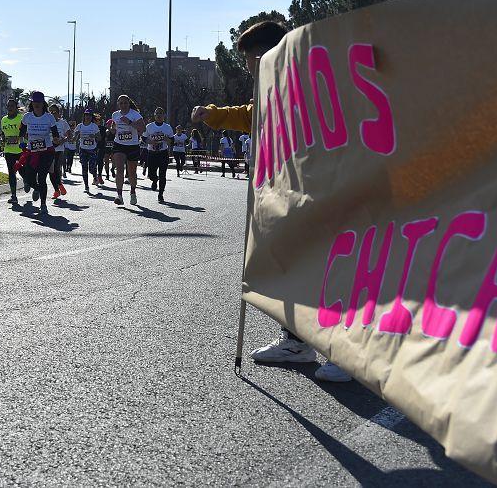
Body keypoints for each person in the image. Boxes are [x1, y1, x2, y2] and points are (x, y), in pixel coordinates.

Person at [191, 20, 350, 383]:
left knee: (327, 269)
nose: (249, 68)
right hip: (286, 195)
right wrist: (212, 114)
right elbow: (252, 114)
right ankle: (297, 342)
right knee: (285, 267)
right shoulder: (272, 87)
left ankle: (348, 349)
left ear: (265, 54)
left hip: (321, 191)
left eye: (249, 60)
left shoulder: (311, 82)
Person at [18, 91, 61, 215]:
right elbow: (21, 131)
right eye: (35, 102)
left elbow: (55, 133)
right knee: (30, 178)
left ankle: (43, 204)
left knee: (42, 177)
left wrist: (56, 141)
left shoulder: (49, 117)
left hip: (46, 151)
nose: (37, 104)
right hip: (32, 151)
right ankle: (37, 189)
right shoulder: (27, 117)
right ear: (32, 103)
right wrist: (22, 142)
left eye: (39, 102)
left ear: (43, 103)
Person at [110, 94, 145, 206]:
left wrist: (129, 122)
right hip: (119, 144)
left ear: (129, 103)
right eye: (121, 103)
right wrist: (112, 129)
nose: (123, 105)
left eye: (125, 102)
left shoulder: (135, 115)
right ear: (118, 104)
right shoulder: (115, 115)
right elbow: (114, 131)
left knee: (131, 172)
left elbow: (143, 129)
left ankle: (133, 192)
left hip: (132, 145)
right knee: (119, 169)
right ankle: (119, 196)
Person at [144, 107, 174, 203]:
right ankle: (154, 180)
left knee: (162, 174)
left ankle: (160, 194)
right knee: (151, 174)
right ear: (154, 115)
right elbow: (144, 138)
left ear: (164, 115)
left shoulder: (167, 127)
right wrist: (151, 142)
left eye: (161, 113)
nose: (159, 115)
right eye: (157, 113)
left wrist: (167, 140)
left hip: (162, 153)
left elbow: (172, 141)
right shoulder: (149, 126)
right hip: (151, 153)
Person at [0, 99, 25, 205]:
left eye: (12, 106)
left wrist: (20, 139)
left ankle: (27, 181)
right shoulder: (4, 119)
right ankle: (13, 195)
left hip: (20, 150)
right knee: (11, 172)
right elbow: (3, 133)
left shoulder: (21, 118)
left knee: (23, 171)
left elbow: (25, 132)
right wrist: (2, 140)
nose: (10, 108)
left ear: (16, 107)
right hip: (8, 150)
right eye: (8, 106)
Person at [74, 108, 101, 194]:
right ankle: (86, 186)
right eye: (86, 115)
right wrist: (75, 137)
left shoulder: (94, 126)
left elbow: (99, 138)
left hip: (92, 149)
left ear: (91, 116)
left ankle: (95, 176)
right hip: (83, 149)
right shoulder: (80, 126)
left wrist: (94, 136)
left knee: (92, 168)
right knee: (84, 167)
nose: (87, 117)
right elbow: (75, 137)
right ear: (84, 116)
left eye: (89, 115)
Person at [49, 104, 70, 200]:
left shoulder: (63, 123)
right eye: (50, 112)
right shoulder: (47, 122)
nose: (52, 114)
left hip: (59, 149)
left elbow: (69, 135)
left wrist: (62, 140)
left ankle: (59, 186)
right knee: (51, 171)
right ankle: (57, 190)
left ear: (59, 113)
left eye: (54, 112)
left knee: (56, 168)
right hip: (49, 149)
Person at [92, 113, 106, 186]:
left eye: (98, 120)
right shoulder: (91, 127)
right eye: (96, 120)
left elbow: (103, 138)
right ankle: (95, 177)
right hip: (92, 147)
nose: (97, 122)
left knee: (100, 161)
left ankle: (99, 175)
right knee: (93, 163)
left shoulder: (103, 128)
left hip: (101, 147)